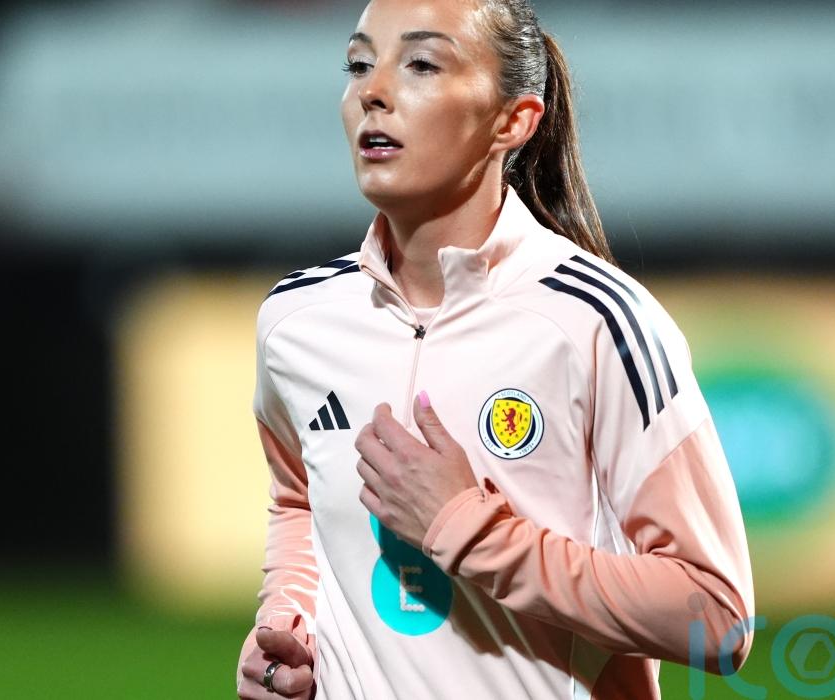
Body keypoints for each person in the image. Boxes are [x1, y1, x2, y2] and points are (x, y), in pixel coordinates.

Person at [236, 0, 755, 697]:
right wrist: (289, 626)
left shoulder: (598, 323)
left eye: (421, 64)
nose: (373, 91)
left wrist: (469, 531)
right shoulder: (296, 321)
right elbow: (299, 503)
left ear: (513, 120)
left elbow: (715, 617)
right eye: (358, 64)